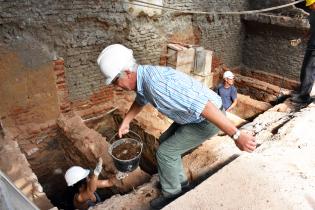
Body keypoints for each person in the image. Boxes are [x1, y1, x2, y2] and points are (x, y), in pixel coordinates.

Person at [97, 44, 256, 209]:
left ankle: (173, 197)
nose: (116, 86)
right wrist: (126, 121)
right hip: (191, 118)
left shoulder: (156, 84)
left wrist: (237, 135)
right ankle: (181, 185)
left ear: (128, 72)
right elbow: (141, 99)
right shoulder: (143, 77)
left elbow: (205, 107)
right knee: (165, 140)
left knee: (165, 154)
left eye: (116, 81)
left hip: (206, 120)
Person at [290, 0, 315, 104]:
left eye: (311, 5)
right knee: (304, 69)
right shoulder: (313, 13)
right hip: (311, 44)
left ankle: (304, 97)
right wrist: (300, 40)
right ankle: (301, 92)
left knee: (309, 71)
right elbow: (311, 29)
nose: (310, 7)